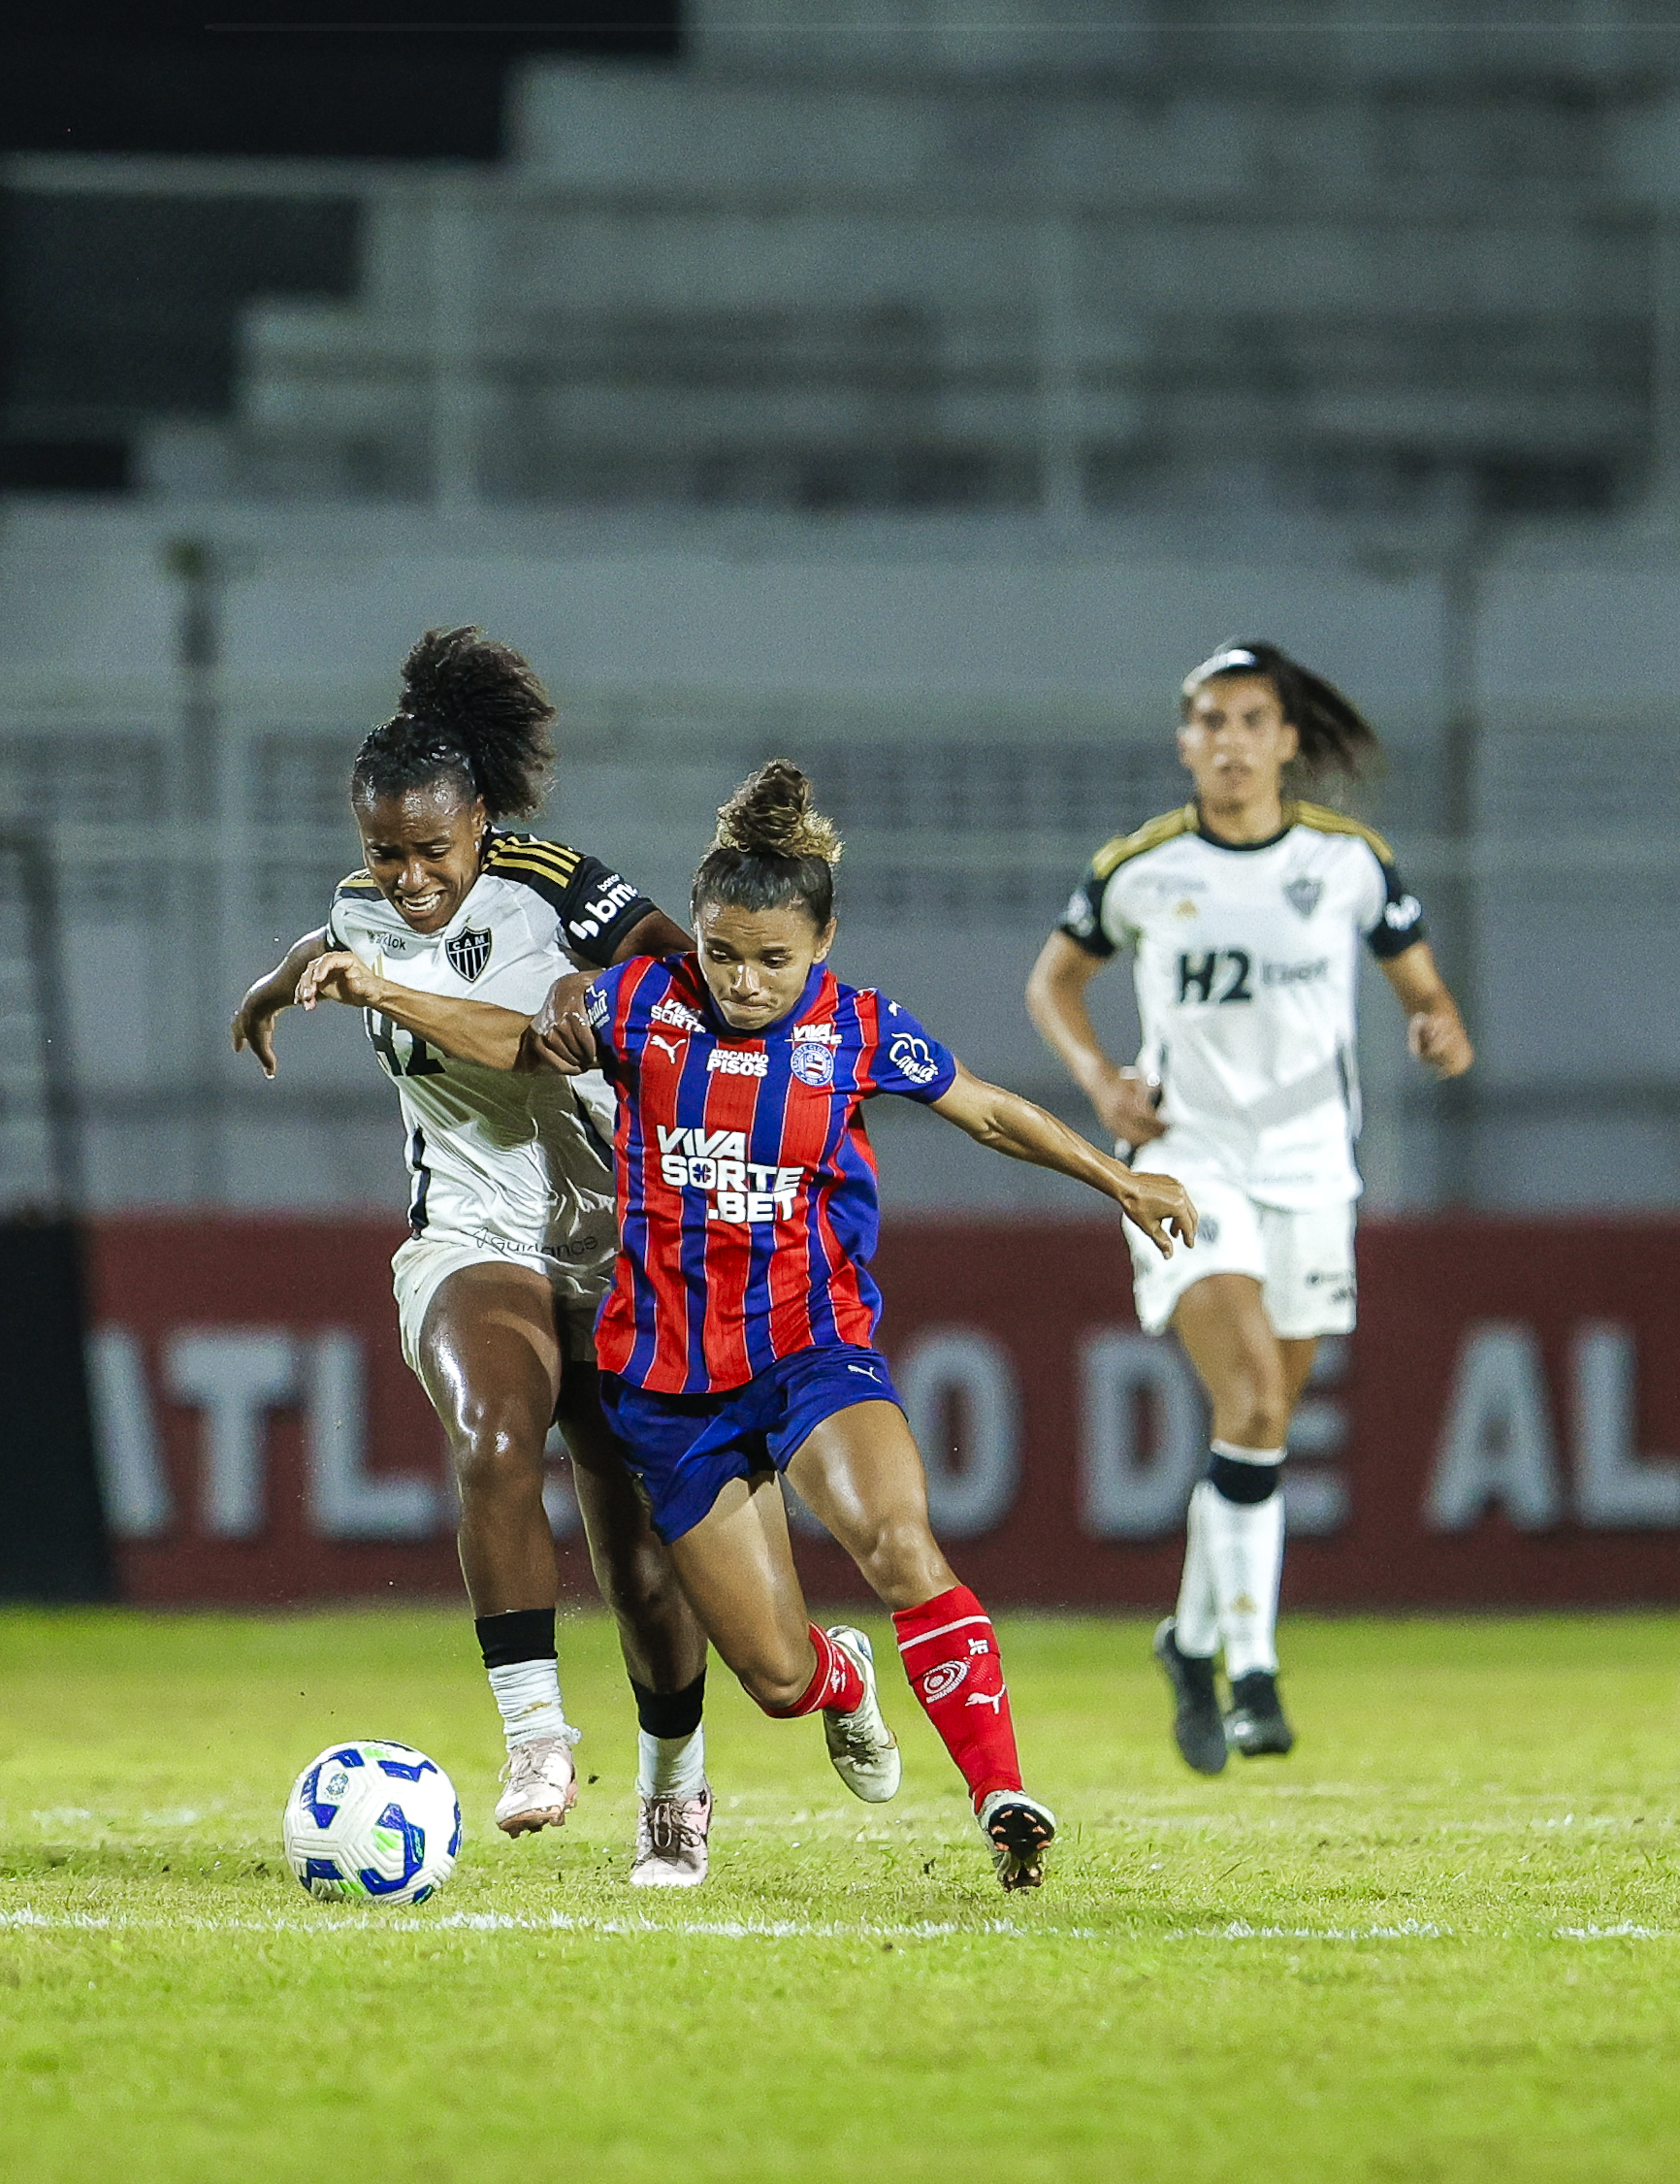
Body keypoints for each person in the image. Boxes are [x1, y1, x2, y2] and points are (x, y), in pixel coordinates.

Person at [308, 761, 1196, 1892]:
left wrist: (1119, 1179)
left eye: (772, 959)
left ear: (821, 945)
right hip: (667, 1386)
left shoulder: (857, 1030)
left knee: (895, 1540)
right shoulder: (637, 1005)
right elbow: (512, 1041)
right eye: (722, 952)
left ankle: (1000, 1796)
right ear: (697, 933)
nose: (742, 980)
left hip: (808, 1350)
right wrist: (380, 991)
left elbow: (985, 1111)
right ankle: (840, 1677)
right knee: (775, 1681)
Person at [231, 626, 713, 1886]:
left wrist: (599, 1003)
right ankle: (536, 1738)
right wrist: (270, 991)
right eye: (382, 851)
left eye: (429, 851)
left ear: (480, 823)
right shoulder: (358, 910)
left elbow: (687, 972)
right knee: (495, 1437)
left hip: (612, 1236)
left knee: (635, 1553)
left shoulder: (554, 885)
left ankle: (674, 1783)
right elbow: (325, 947)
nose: (406, 879)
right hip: (467, 1232)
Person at [1026, 640, 1474, 1774]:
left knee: (1257, 1428)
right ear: (1185, 742)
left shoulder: (1347, 861)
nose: (1229, 742)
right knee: (1254, 1398)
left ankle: (1185, 1643)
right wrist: (1100, 1082)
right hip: (1186, 1161)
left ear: (1284, 740)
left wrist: (1434, 1023)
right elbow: (1053, 981)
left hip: (1314, 1169)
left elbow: (1418, 981)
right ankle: (1252, 1673)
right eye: (1210, 722)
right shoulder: (1140, 868)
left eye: (1249, 721)